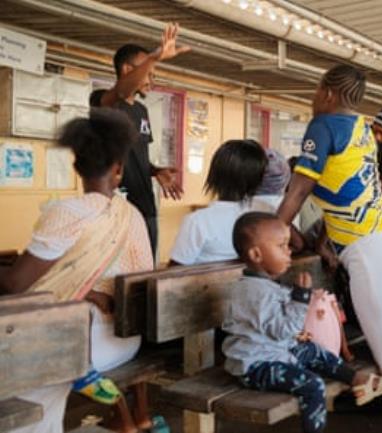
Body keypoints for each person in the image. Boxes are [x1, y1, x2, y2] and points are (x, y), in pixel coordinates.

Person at [277, 64, 382, 433]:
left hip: (373, 258)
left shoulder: (322, 125)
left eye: (316, 90)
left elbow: (300, 188)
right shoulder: (362, 130)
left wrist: (273, 232)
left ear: (328, 92)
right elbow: (348, 190)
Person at [0, 109, 155, 433]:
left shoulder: (67, 211)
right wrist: (87, 290)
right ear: (119, 169)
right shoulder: (133, 215)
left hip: (78, 344)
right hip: (126, 340)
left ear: (76, 167)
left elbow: (15, 284)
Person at [223, 212, 382, 433]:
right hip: (257, 366)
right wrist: (301, 298)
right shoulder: (253, 292)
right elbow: (284, 330)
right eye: (281, 245)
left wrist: (301, 298)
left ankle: (355, 379)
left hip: (276, 352)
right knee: (313, 386)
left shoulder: (264, 285)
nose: (289, 250)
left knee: (312, 350)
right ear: (256, 254)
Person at [91, 23, 189, 256]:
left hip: (146, 207)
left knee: (145, 272)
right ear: (127, 70)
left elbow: (138, 157)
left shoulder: (143, 111)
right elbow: (121, 92)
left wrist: (156, 171)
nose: (150, 79)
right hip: (118, 206)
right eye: (147, 72)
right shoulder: (103, 102)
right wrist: (155, 56)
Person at [169, 140, 276, 265]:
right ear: (258, 179)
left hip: (208, 284)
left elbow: (174, 271)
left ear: (213, 175)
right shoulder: (266, 214)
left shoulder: (198, 221)